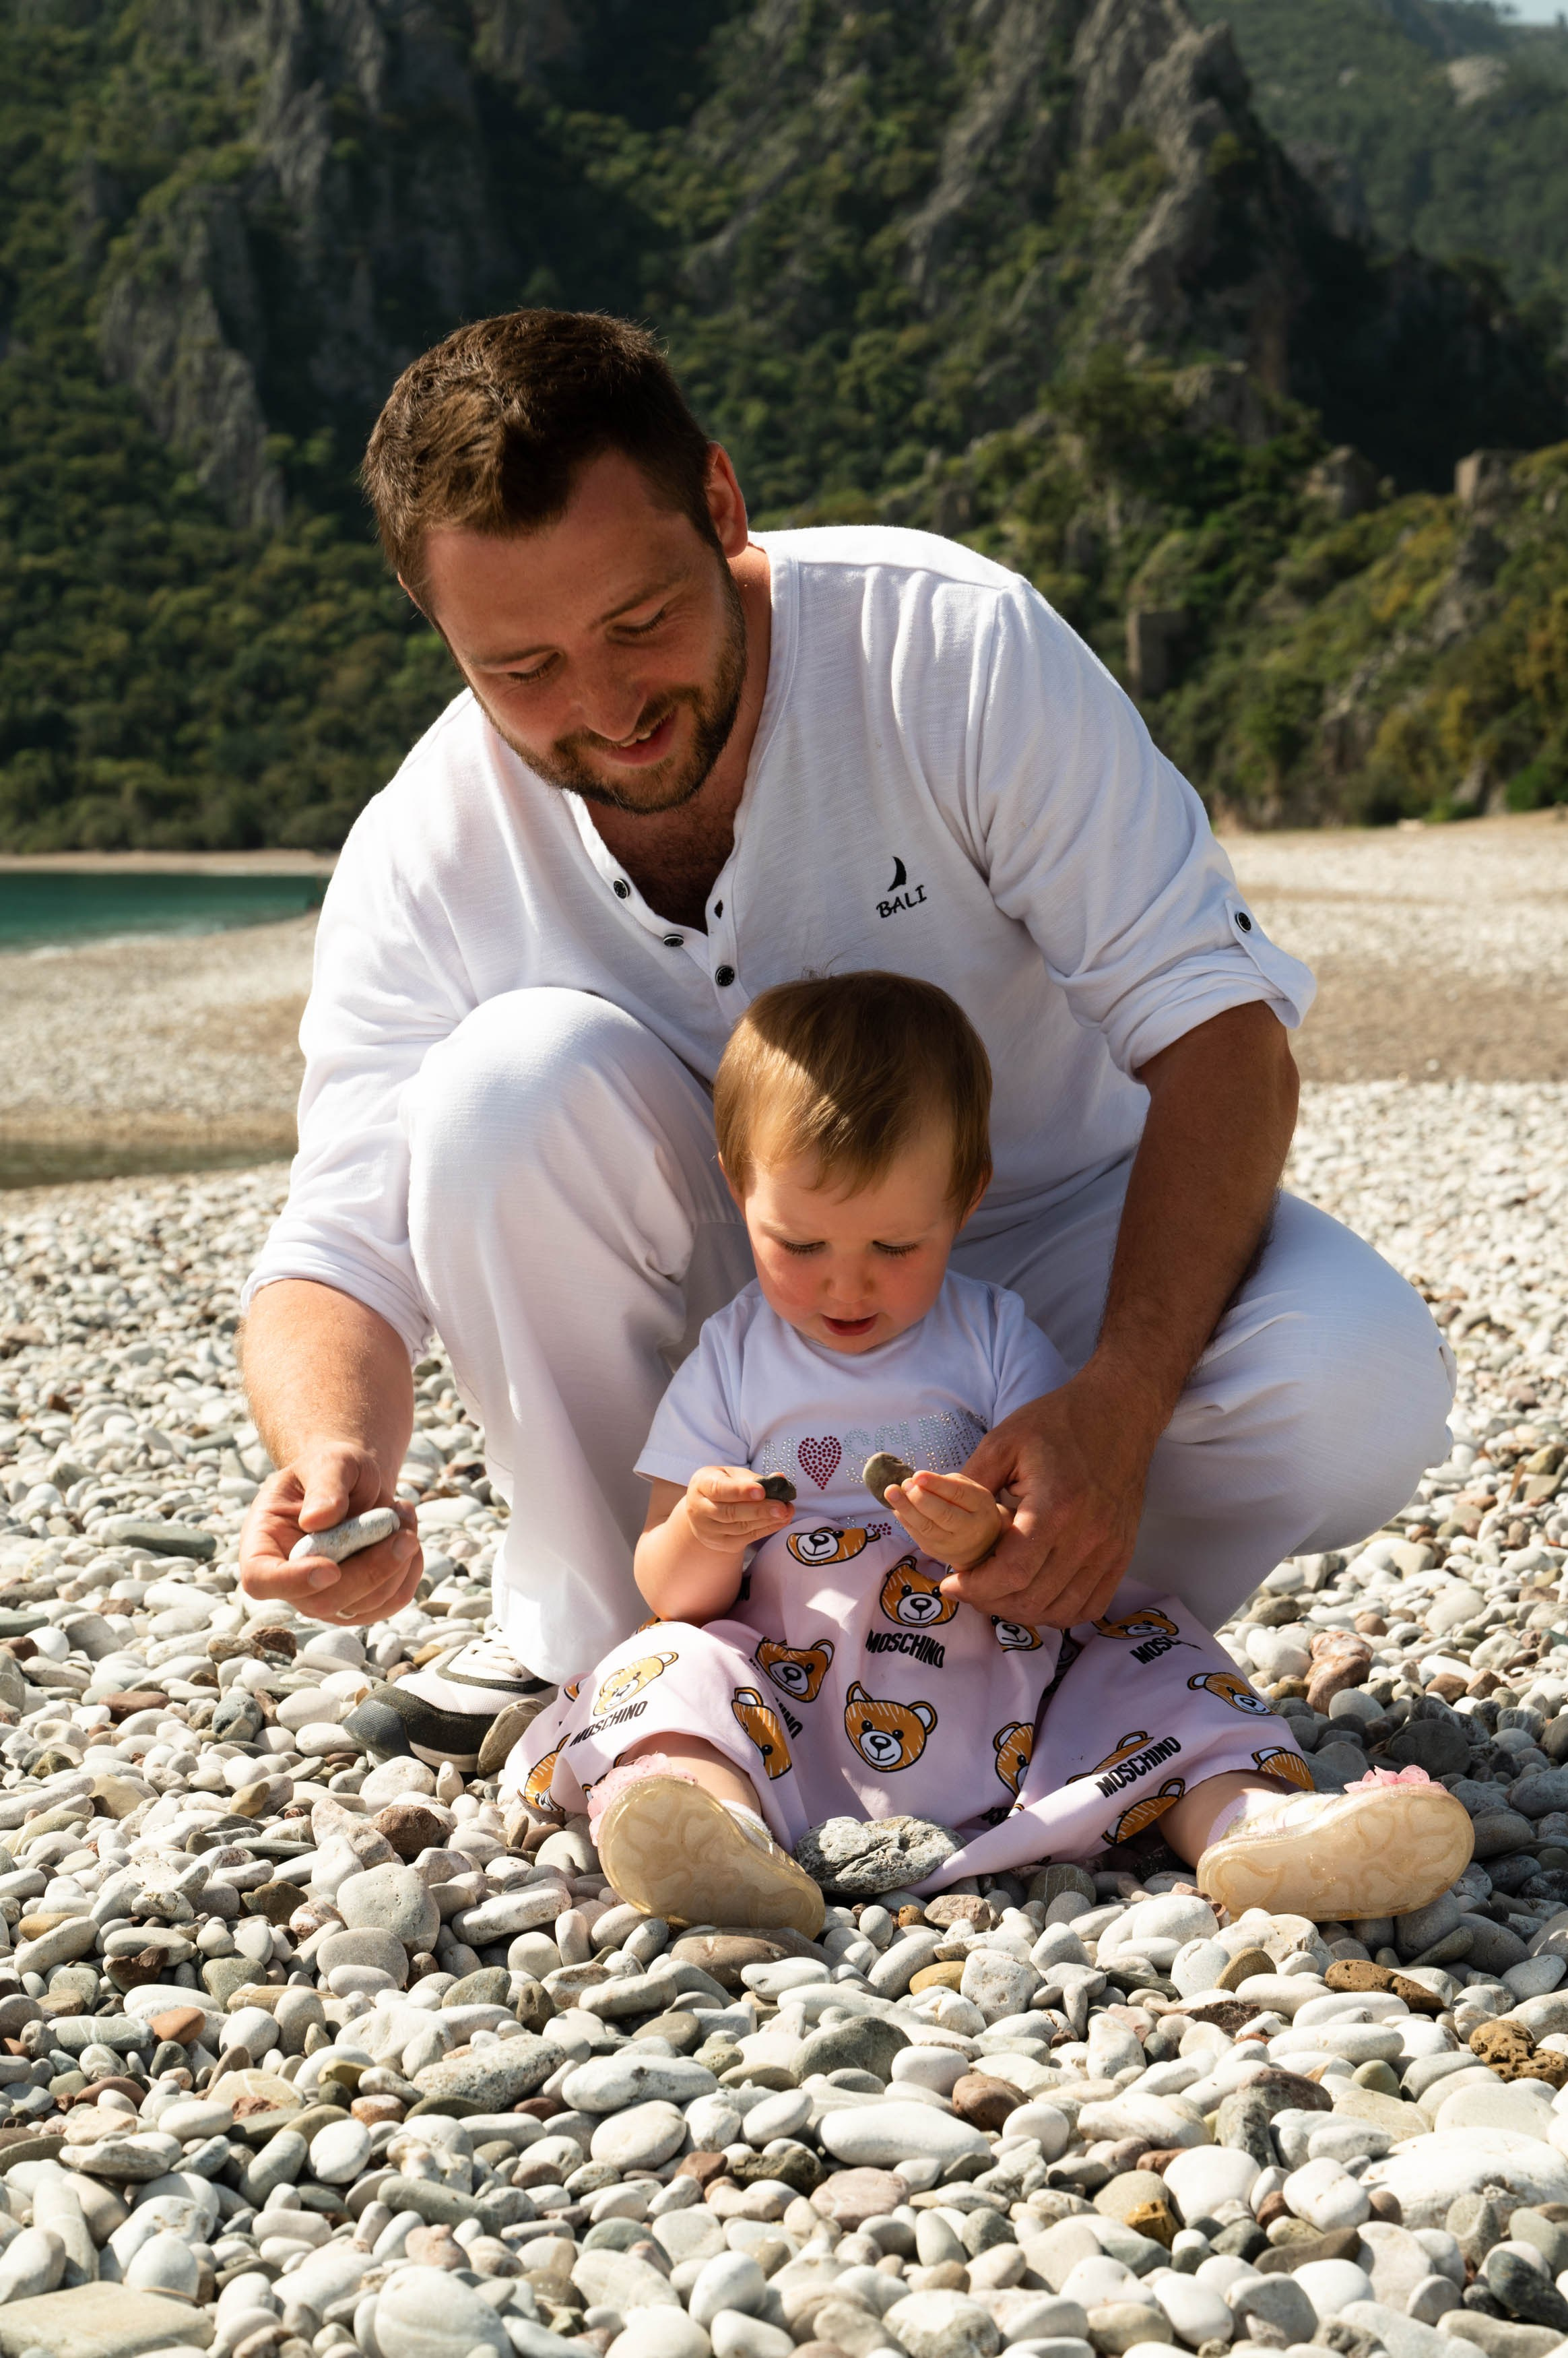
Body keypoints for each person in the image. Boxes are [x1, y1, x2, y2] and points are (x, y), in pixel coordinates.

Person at [236, 307, 1456, 1773]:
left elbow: (1219, 1030)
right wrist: (333, 1459)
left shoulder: (952, 647)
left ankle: (1056, 1624)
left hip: (1054, 1241)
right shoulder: (427, 840)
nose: (607, 711)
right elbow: (336, 1246)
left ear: (724, 506)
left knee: (1363, 1378)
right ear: (444, 634)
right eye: (524, 670)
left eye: (638, 624)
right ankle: (622, 1653)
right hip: (732, 1340)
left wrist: (1119, 1406)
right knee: (504, 1091)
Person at [507, 972, 1472, 1929]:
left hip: (1001, 1676)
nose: (847, 1287)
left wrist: (983, 1536)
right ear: (738, 1188)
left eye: (894, 1247)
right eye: (800, 1247)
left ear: (965, 1201)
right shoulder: (732, 1356)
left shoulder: (996, 1337)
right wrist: (709, 1530)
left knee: (1155, 1663)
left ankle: (1251, 1824)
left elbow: (1055, 1525)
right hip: (790, 1692)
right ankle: (706, 1818)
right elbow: (670, 1592)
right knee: (673, 1665)